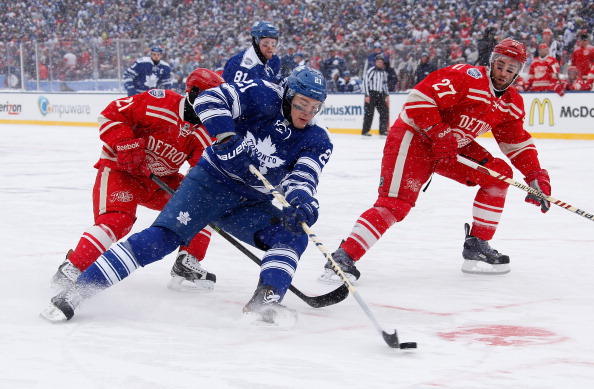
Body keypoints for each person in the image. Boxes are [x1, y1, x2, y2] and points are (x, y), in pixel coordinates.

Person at [41, 66, 332, 328]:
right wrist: (226, 138)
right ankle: (78, 290)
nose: (307, 113)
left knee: (292, 234)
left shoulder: (318, 139)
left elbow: (304, 176)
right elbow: (209, 100)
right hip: (210, 184)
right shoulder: (261, 93)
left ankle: (263, 303)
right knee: (161, 239)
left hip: (249, 202)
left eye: (314, 107)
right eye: (302, 104)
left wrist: (303, 204)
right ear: (288, 95)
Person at [319, 38, 552, 283]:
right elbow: (418, 99)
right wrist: (440, 133)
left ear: (518, 72)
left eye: (511, 69)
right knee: (395, 203)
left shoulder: (511, 103)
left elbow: (515, 143)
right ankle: (343, 258)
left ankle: (477, 245)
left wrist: (535, 175)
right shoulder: (467, 77)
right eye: (501, 65)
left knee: (498, 174)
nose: (504, 72)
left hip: (450, 147)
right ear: (492, 62)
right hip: (414, 138)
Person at [50, 68, 224, 295]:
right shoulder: (158, 102)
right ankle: (72, 267)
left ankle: (187, 261)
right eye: (208, 99)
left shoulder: (206, 131)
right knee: (117, 220)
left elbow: (201, 170)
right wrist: (125, 143)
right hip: (121, 171)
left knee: (202, 203)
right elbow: (110, 114)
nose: (212, 107)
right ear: (192, 92)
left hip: (158, 181)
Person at [361, 55, 390, 137]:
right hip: (371, 93)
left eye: (381, 62)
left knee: (384, 111)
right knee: (369, 113)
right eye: (378, 62)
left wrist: (386, 94)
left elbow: (384, 84)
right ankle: (365, 131)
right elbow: (366, 82)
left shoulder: (384, 72)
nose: (380, 63)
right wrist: (367, 95)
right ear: (375, 62)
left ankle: (382, 130)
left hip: (380, 94)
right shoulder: (371, 71)